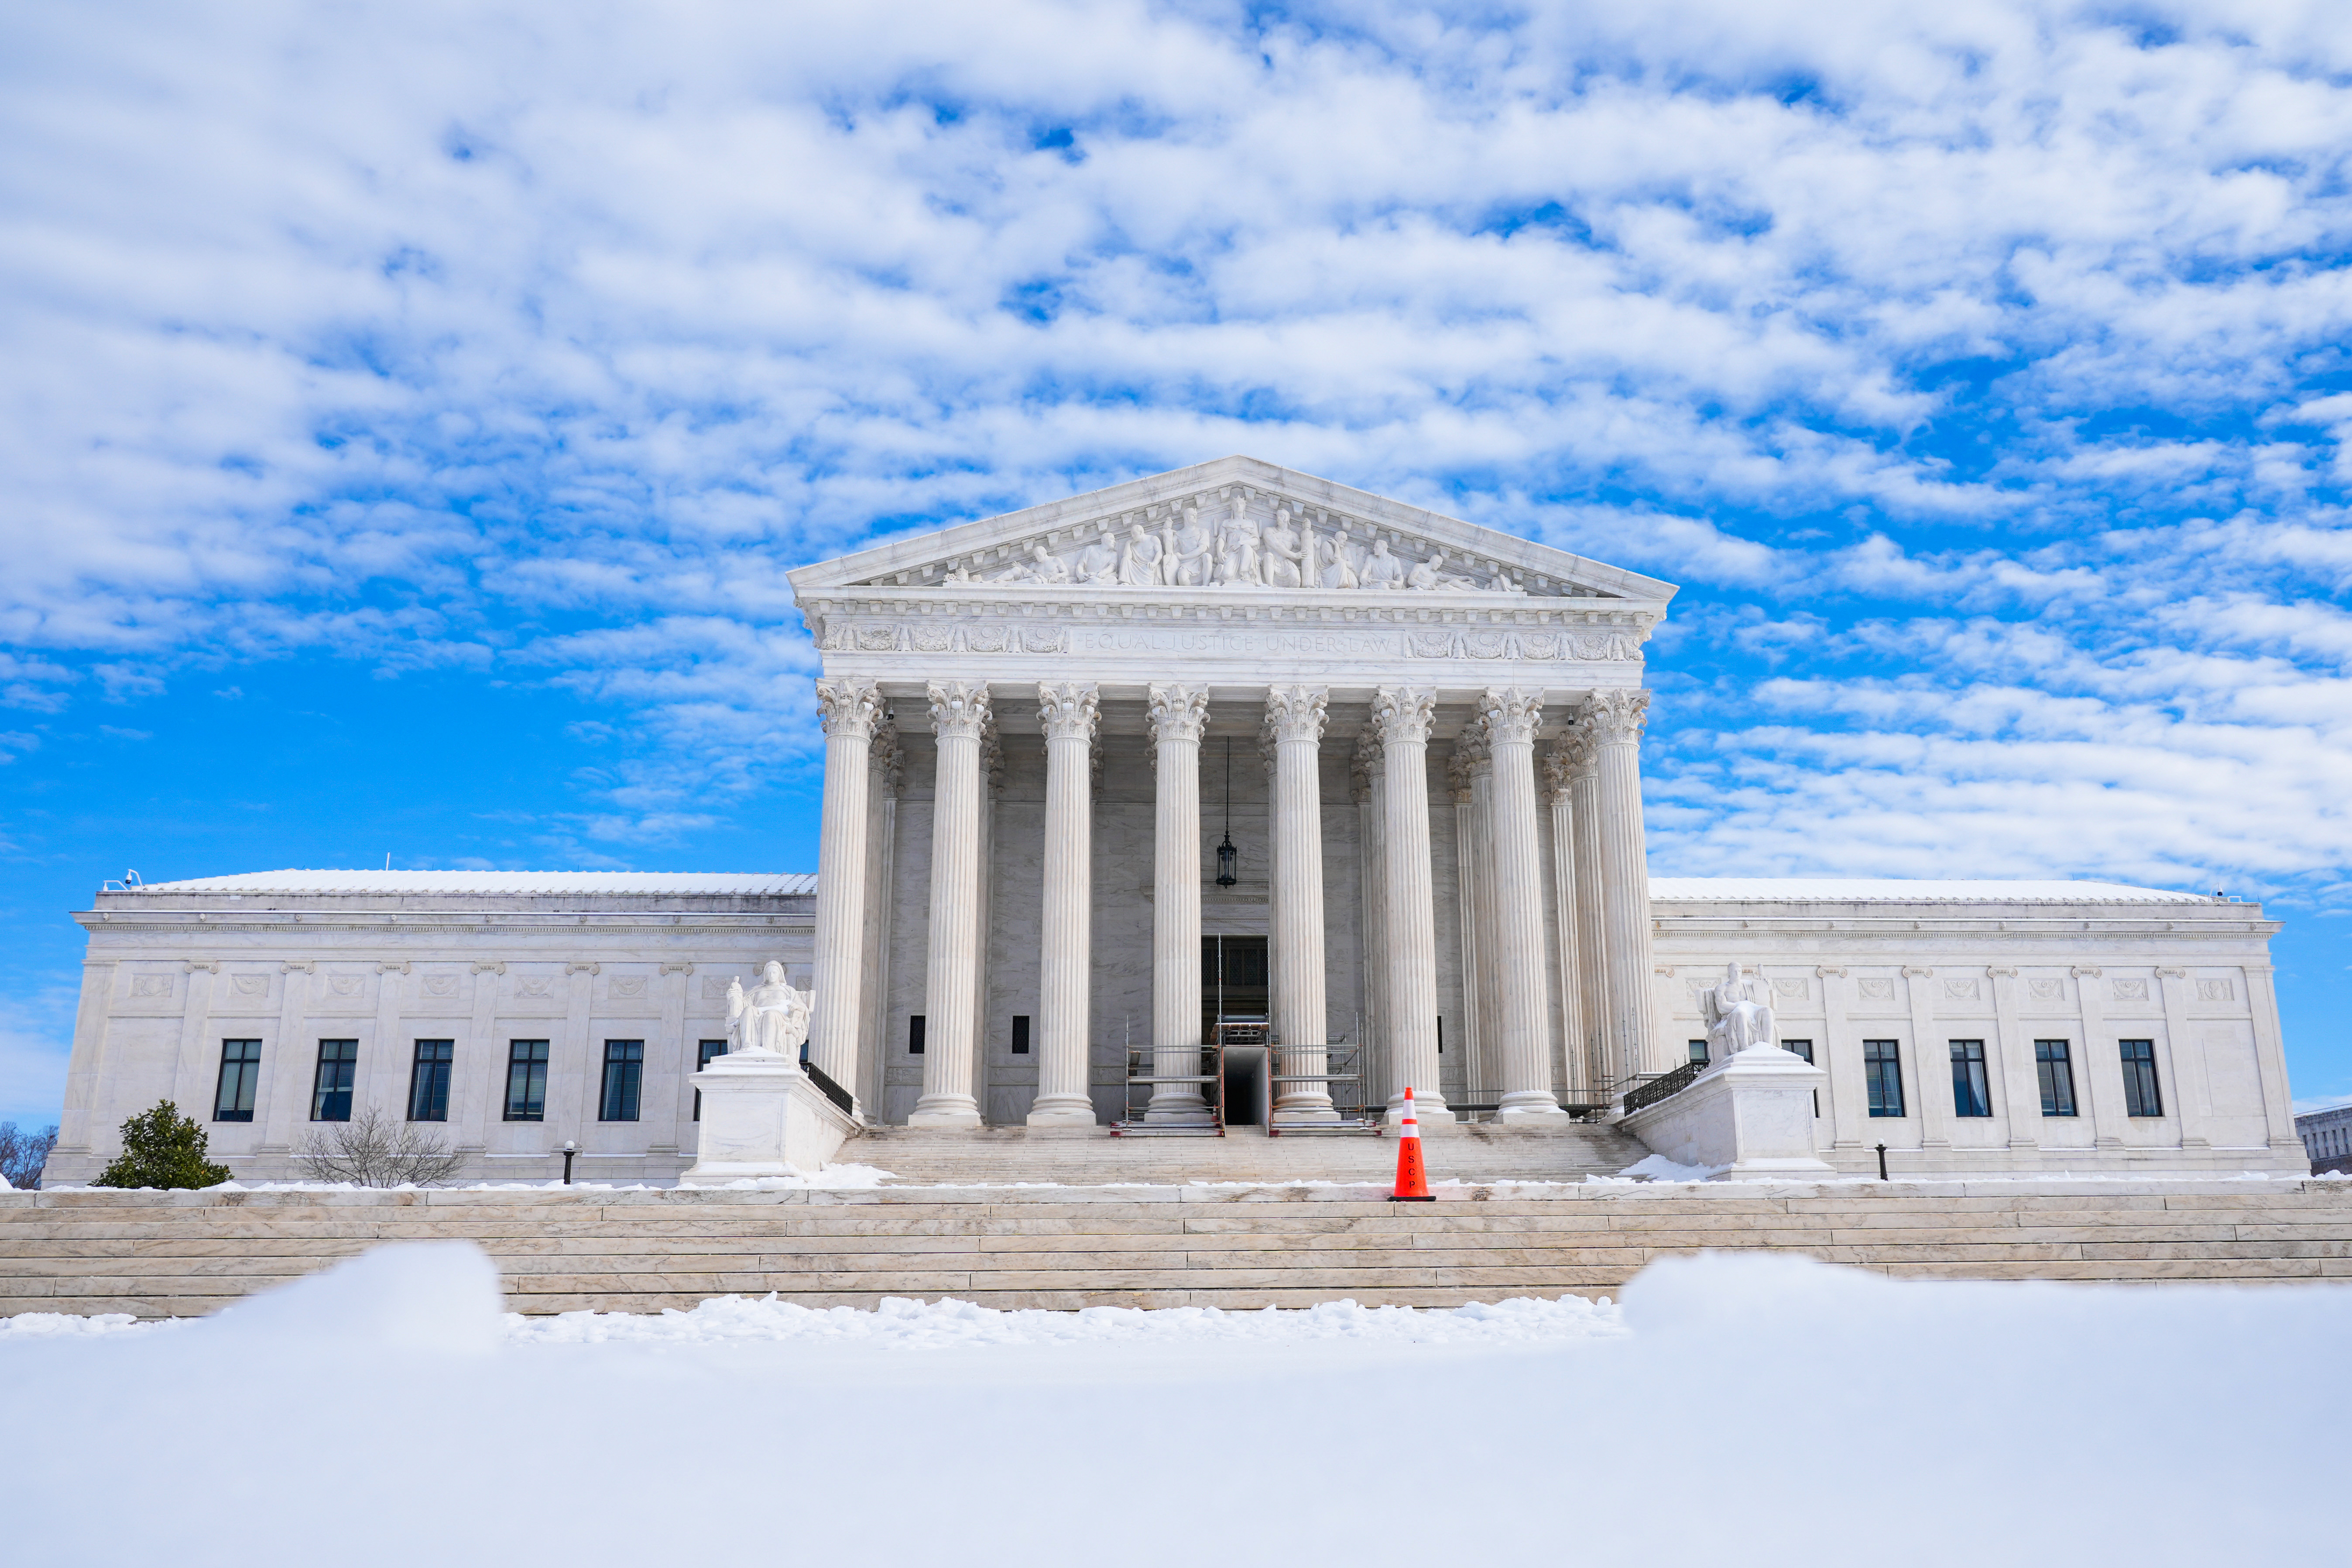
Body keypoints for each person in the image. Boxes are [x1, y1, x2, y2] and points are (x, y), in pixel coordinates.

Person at [1119, 518, 1165, 585]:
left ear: (1141, 532)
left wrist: (1154, 563)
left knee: (1149, 569)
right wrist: (1128, 544)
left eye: (1134, 534)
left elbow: (1159, 553)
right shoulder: (1133, 544)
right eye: (1132, 534)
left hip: (1149, 567)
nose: (1132, 536)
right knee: (1125, 560)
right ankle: (1126, 582)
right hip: (1136, 568)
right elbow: (1127, 557)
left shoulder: (1153, 539)